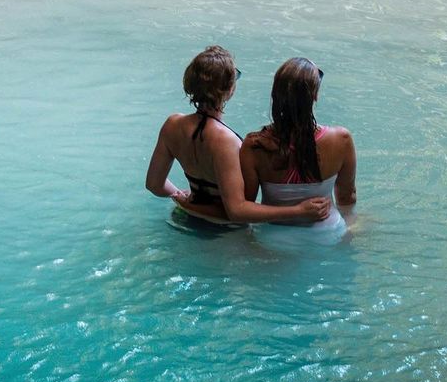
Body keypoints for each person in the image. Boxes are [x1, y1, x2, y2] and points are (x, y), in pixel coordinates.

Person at [145, 46, 331, 225]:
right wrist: (299, 210)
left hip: (185, 214)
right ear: (229, 89)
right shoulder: (226, 141)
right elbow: (236, 211)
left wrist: (182, 198)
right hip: (222, 231)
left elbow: (154, 184)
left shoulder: (172, 125)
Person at [240, 57, 356, 238]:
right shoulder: (341, 139)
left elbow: (245, 206)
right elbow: (347, 199)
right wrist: (349, 230)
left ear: (274, 95)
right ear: (315, 96)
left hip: (273, 239)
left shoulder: (254, 145)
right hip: (328, 236)